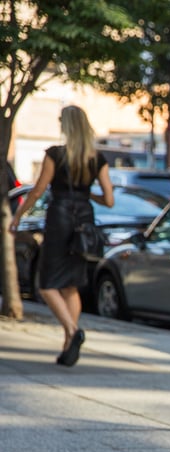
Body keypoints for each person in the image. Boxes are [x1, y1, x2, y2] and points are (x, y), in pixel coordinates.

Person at [9, 105, 114, 366]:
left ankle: (72, 330)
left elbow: (37, 191)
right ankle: (68, 344)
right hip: (84, 220)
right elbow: (109, 200)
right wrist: (86, 194)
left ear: (66, 125)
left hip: (60, 219)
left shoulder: (56, 154)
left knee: (46, 284)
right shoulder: (96, 158)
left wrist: (18, 216)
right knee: (70, 284)